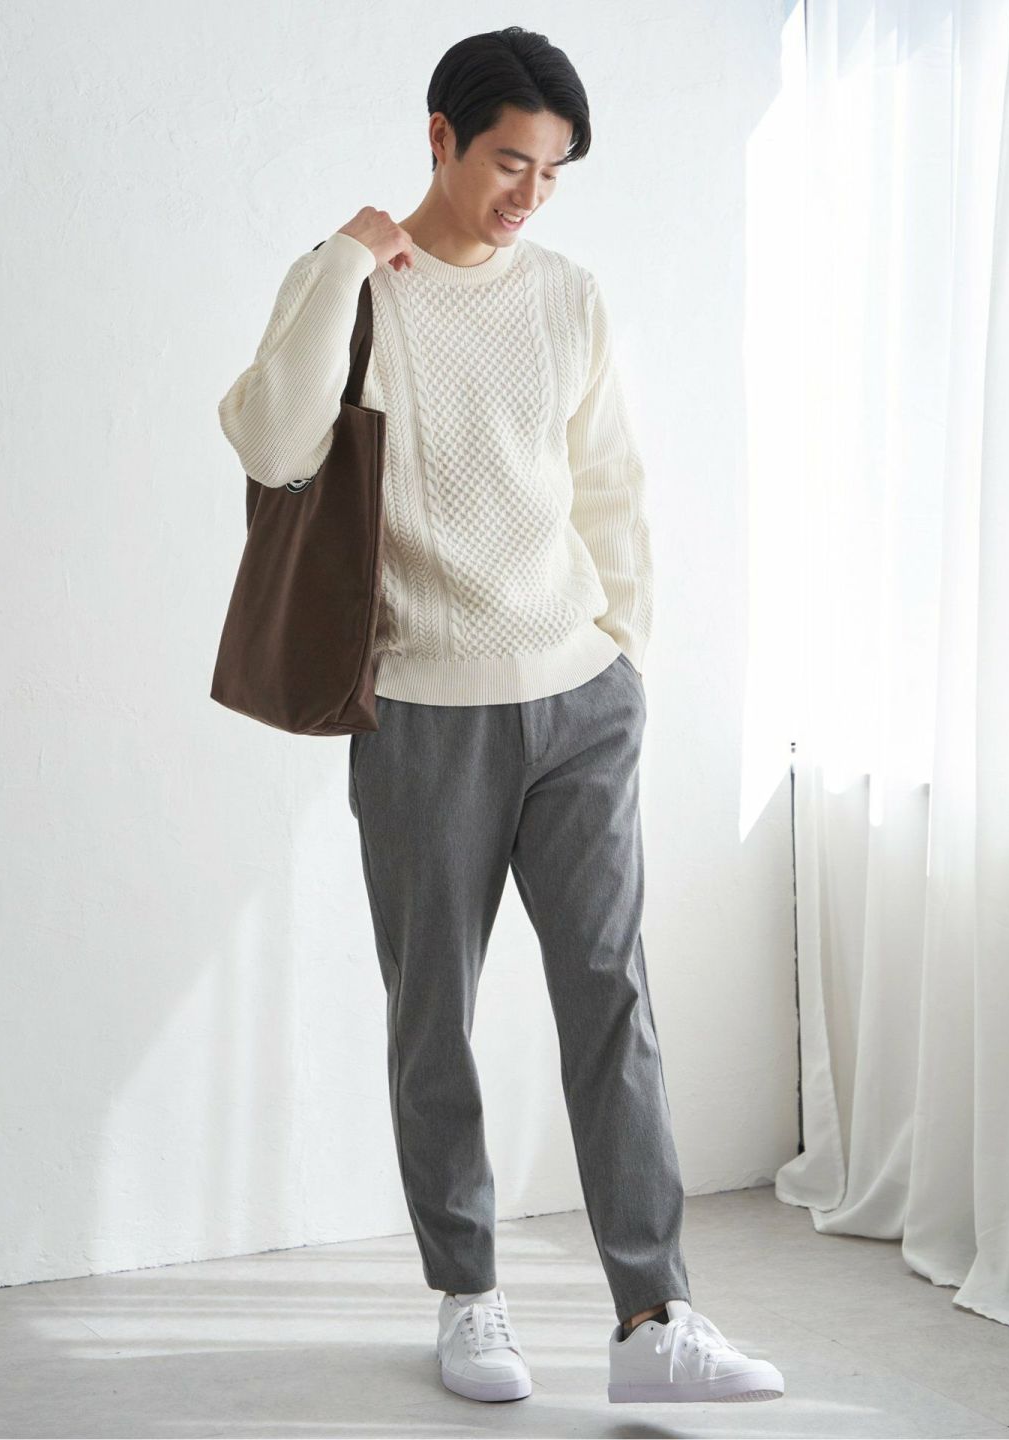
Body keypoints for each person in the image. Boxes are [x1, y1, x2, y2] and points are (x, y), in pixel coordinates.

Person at [217, 23, 784, 1410]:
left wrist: (623, 659)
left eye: (553, 171)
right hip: (424, 715)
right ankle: (468, 1295)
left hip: (578, 702)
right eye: (510, 162)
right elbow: (271, 442)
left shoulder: (569, 299)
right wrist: (344, 260)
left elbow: (612, 489)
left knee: (613, 1002)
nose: (531, 194)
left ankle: (654, 1318)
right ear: (440, 138)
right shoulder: (351, 288)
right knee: (435, 1016)